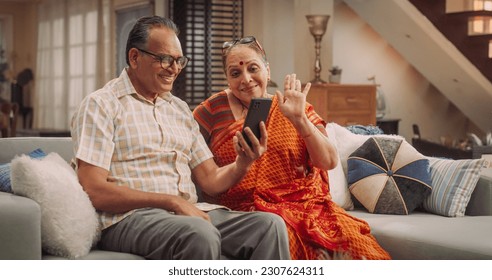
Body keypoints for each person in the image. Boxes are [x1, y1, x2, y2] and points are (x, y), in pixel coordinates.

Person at [70, 16, 290, 260]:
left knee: (269, 226)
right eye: (164, 59)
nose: (174, 69)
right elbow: (94, 189)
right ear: (135, 57)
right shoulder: (101, 105)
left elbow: (210, 180)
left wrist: (243, 163)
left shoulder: (179, 109)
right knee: (199, 233)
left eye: (178, 61)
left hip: (188, 214)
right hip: (129, 218)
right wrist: (171, 202)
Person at [193, 36, 391, 260]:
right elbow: (200, 172)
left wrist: (299, 120)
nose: (246, 79)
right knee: (284, 236)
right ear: (227, 79)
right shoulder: (209, 111)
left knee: (356, 245)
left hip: (306, 205)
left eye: (253, 68)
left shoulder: (293, 105)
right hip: (247, 212)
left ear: (268, 70)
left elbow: (328, 161)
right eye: (235, 73)